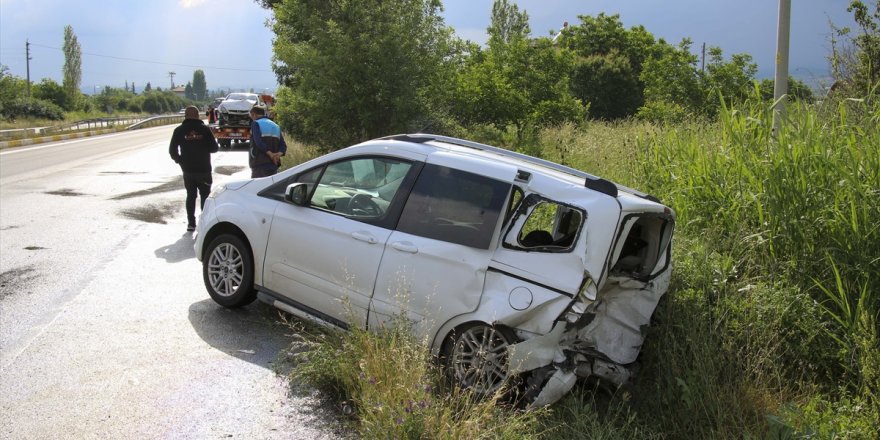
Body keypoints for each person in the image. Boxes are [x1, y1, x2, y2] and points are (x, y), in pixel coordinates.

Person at [169, 105, 219, 232]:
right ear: (198, 115)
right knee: (205, 196)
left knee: (190, 196)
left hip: (188, 171)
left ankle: (191, 223)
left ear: (185, 116)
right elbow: (214, 148)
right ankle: (204, 223)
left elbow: (172, 151)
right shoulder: (205, 130)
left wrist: (181, 161)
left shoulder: (179, 130)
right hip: (204, 170)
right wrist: (203, 147)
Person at [248, 106, 287, 178]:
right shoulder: (276, 126)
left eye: (251, 116)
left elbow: (258, 142)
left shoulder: (256, 123)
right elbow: (283, 146)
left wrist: (271, 154)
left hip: (259, 162)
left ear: (254, 114)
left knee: (257, 187)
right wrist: (277, 155)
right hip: (273, 164)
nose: (251, 119)